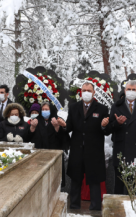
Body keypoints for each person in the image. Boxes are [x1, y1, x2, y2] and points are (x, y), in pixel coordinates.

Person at [57, 82, 111, 211]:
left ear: (93, 92)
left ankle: (96, 207)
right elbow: (69, 126)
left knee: (94, 181)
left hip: (94, 151)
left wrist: (104, 125)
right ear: (81, 92)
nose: (86, 92)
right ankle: (74, 207)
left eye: (89, 90)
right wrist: (64, 125)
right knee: (76, 180)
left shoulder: (102, 109)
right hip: (77, 150)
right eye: (84, 90)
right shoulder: (74, 107)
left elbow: (107, 131)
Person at [109, 80, 136, 195]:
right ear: (125, 90)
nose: (131, 92)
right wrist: (117, 123)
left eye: (133, 90)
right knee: (119, 184)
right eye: (129, 89)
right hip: (121, 149)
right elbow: (109, 128)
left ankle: (135, 210)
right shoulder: (116, 106)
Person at [29, 102, 68, 187]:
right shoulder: (36, 121)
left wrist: (57, 127)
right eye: (42, 110)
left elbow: (64, 139)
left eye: (46, 110)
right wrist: (32, 128)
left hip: (54, 156)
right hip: (40, 157)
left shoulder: (58, 120)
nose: (44, 111)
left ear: (51, 110)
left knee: (54, 184)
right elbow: (29, 138)